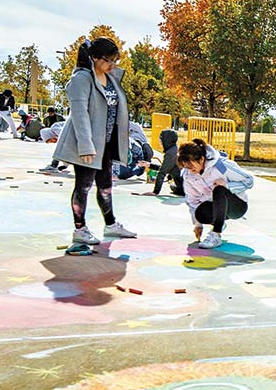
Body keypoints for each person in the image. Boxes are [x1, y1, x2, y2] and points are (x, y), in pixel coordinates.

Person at [51, 37, 138, 245]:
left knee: (106, 186)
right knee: (83, 186)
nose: (113, 65)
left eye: (115, 61)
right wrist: (85, 145)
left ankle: (111, 225)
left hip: (106, 142)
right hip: (88, 143)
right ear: (95, 58)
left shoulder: (111, 77)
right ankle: (79, 229)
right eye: (108, 61)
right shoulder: (82, 79)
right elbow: (79, 114)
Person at [178, 138, 252, 248]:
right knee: (200, 214)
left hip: (237, 206)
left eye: (191, 165)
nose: (189, 169)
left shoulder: (221, 166)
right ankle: (220, 224)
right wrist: (198, 225)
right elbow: (192, 201)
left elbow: (249, 181)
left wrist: (227, 185)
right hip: (217, 207)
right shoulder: (188, 175)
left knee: (219, 189)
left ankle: (216, 234)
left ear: (202, 159)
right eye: (186, 166)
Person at [152, 128, 184, 196]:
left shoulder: (170, 153)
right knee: (172, 186)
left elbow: (162, 172)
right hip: (185, 184)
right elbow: (167, 167)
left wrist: (155, 192)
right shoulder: (175, 149)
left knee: (173, 187)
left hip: (184, 186)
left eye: (161, 139)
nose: (160, 142)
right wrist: (150, 165)